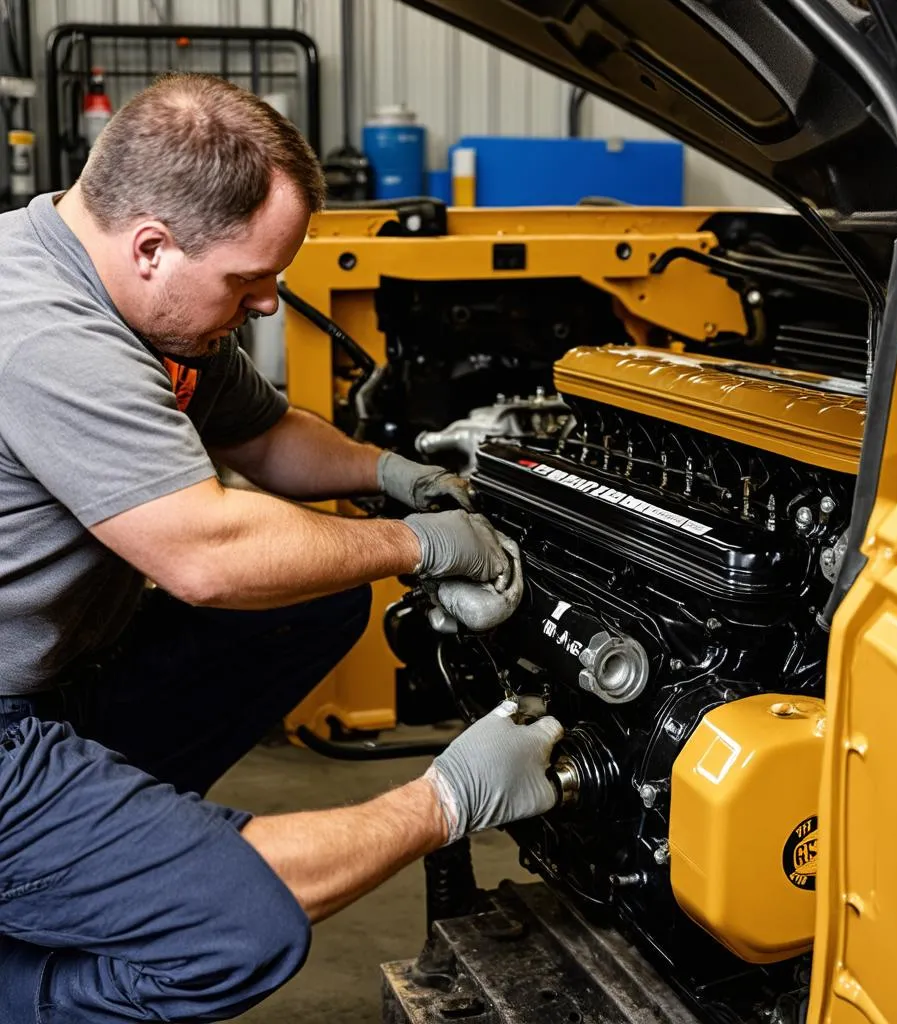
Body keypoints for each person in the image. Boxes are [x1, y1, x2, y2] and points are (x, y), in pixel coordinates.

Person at [0, 73, 562, 1022]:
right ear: (152, 247)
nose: (266, 306)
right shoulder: (45, 335)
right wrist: (420, 553)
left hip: (49, 673)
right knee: (236, 930)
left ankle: (114, 855)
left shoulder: (130, 291)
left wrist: (399, 478)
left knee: (316, 592)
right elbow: (206, 555)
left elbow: (264, 437)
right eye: (249, 281)